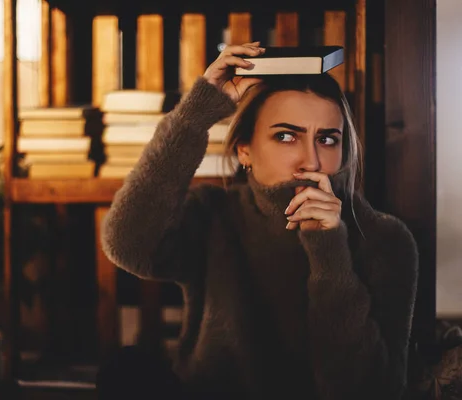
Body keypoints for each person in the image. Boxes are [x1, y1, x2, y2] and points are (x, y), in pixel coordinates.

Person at [96, 42, 418, 400]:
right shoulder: (214, 214)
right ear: (244, 150)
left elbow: (369, 389)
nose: (311, 161)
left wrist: (329, 250)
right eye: (286, 136)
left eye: (327, 139)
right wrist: (196, 114)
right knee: (124, 372)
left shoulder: (384, 238)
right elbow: (126, 243)